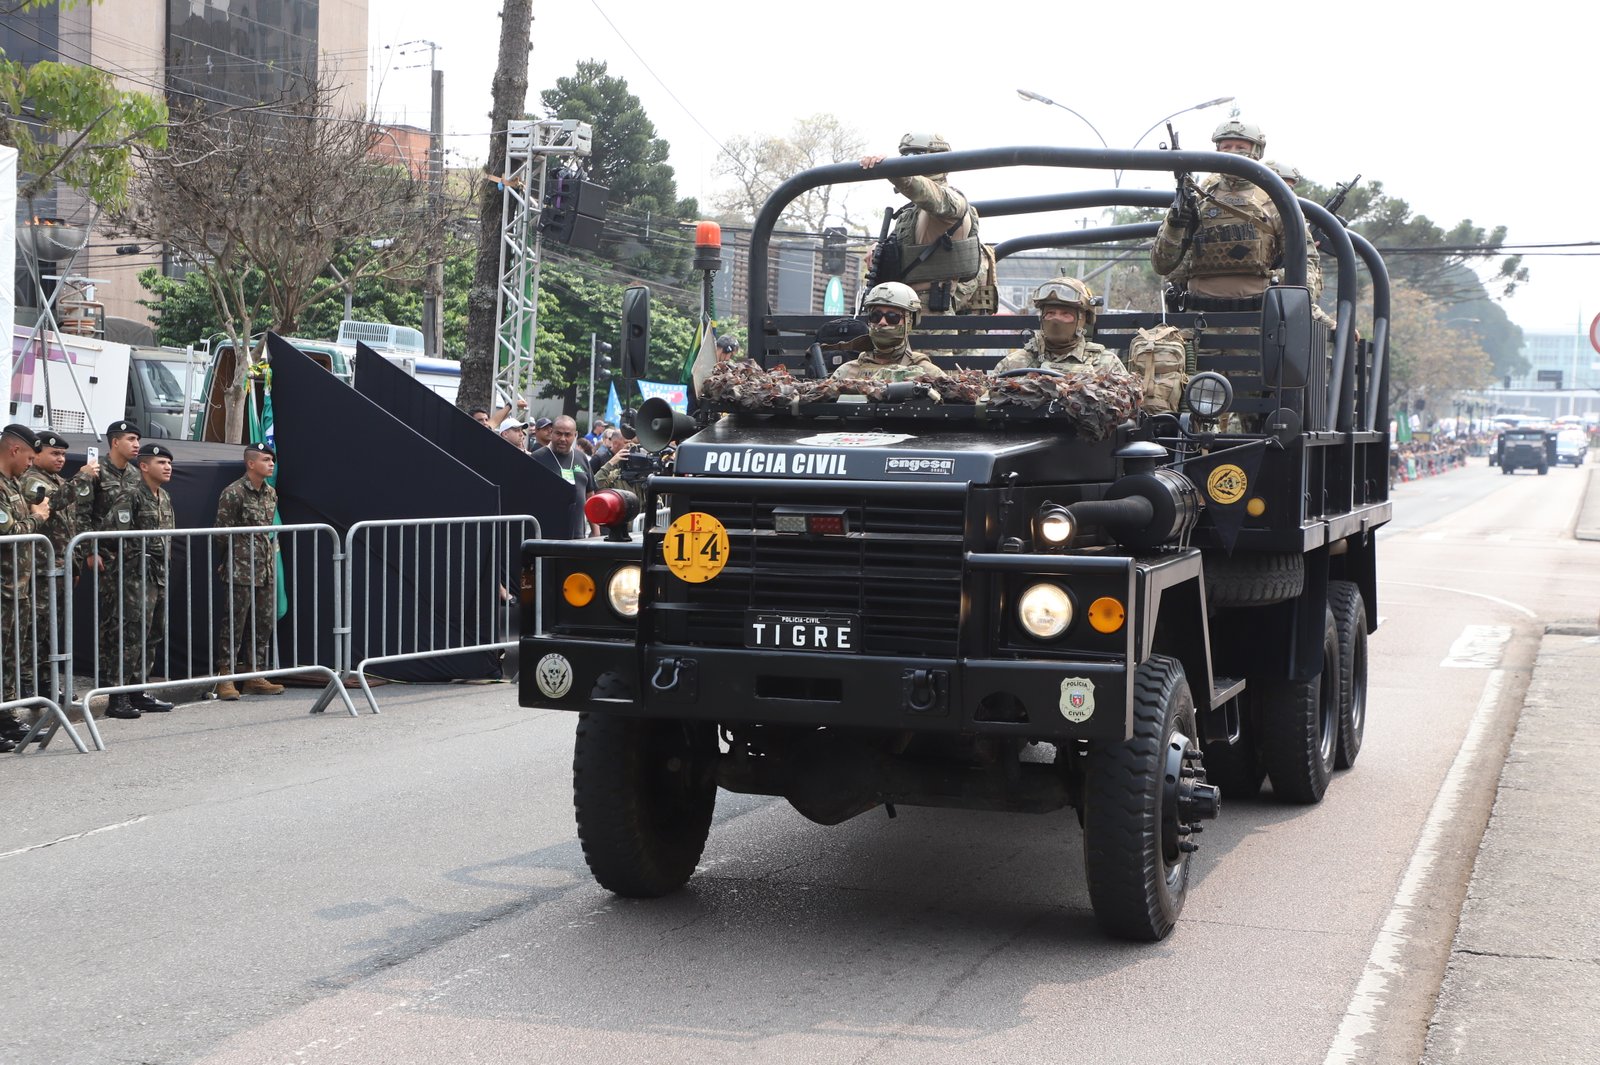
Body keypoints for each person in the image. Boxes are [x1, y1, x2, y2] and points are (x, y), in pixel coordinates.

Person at [1151, 118, 1319, 310]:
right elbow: (1161, 265)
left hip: (1259, 315)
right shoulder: (1197, 197)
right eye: (1226, 147)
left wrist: (1295, 306)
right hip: (1198, 314)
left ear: (1256, 151)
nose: (1233, 153)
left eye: (1241, 147)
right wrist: (1175, 226)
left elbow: (1306, 259)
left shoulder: (1275, 198)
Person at [860, 133, 984, 315]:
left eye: (915, 155)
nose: (907, 160)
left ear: (937, 159)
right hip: (895, 308)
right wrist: (880, 251)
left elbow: (931, 195)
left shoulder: (952, 201)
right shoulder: (912, 212)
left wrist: (894, 170)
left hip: (929, 313)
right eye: (903, 156)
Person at [23, 428, 97, 714]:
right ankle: (28, 685)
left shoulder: (59, 480)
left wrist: (74, 564)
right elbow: (52, 504)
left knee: (52, 631)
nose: (60, 459)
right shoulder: (31, 479)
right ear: (37, 453)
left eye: (64, 454)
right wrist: (83, 476)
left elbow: (70, 526)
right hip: (40, 570)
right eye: (54, 453)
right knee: (35, 629)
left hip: (59, 568)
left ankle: (47, 684)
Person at [103, 443, 178, 719]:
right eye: (161, 462)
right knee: (130, 635)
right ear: (144, 466)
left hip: (158, 574)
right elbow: (111, 533)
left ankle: (138, 690)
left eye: (169, 463)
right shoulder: (131, 494)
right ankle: (118, 696)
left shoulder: (164, 497)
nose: (167, 467)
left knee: (152, 633)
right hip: (134, 575)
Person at [212, 441, 284, 701]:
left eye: (272, 460)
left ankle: (255, 675)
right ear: (251, 463)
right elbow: (221, 532)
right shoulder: (233, 493)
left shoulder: (271, 493)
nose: (271, 464)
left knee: (262, 623)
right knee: (234, 624)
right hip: (240, 568)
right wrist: (228, 560)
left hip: (265, 567)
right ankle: (226, 676)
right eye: (266, 460)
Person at [85, 419, 145, 691]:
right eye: (131, 439)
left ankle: (123, 679)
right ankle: (105, 677)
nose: (136, 445)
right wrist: (90, 549)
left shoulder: (135, 475)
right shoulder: (96, 471)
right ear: (115, 442)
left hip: (131, 555)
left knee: (129, 618)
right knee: (109, 618)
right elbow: (82, 512)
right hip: (106, 553)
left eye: (137, 440)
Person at [0, 423, 51, 748]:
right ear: (15, 450)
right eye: (30, 458)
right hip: (2, 587)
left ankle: (6, 718)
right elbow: (8, 532)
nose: (31, 464)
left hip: (16, 588)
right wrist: (37, 518)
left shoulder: (13, 484)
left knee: (9, 657)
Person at [997, 277, 1130, 376]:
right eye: (1050, 313)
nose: (1056, 319)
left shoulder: (1107, 364)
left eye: (1066, 314)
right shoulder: (1014, 363)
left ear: (1082, 320)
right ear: (1042, 318)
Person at [831, 282, 946, 381]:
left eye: (892, 317)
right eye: (875, 316)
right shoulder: (847, 372)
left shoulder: (928, 373)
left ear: (909, 322)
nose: (882, 322)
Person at [531, 415, 595, 538]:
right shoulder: (537, 458)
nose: (562, 439)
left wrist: (595, 530)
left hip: (578, 536)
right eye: (558, 433)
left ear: (575, 435)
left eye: (567, 434)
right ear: (551, 433)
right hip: (547, 536)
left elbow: (590, 495)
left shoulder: (581, 458)